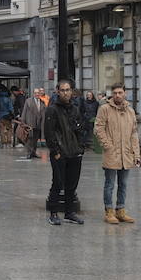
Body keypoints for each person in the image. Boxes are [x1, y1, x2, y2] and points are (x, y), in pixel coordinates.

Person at [44, 79, 90, 226]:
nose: (65, 93)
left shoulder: (75, 109)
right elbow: (49, 132)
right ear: (58, 91)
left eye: (68, 90)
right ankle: (53, 213)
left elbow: (80, 129)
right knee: (58, 183)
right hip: (60, 152)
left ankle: (70, 213)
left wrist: (81, 147)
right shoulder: (52, 109)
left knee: (72, 184)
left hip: (74, 152)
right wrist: (55, 151)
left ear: (72, 91)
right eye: (62, 90)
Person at [94, 82, 140, 224]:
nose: (117, 95)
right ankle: (109, 211)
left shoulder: (130, 111)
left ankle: (121, 210)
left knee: (124, 184)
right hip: (112, 153)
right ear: (111, 94)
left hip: (126, 154)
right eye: (115, 93)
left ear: (124, 93)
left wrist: (136, 154)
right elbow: (98, 128)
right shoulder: (105, 109)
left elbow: (134, 134)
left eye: (120, 93)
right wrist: (107, 145)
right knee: (110, 184)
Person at [20, 88, 46, 159]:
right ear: (33, 93)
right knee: (30, 139)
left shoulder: (42, 102)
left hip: (38, 124)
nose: (37, 94)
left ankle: (34, 152)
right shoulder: (28, 101)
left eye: (38, 93)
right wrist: (23, 121)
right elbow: (24, 111)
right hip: (30, 122)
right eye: (36, 93)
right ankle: (29, 153)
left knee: (36, 139)